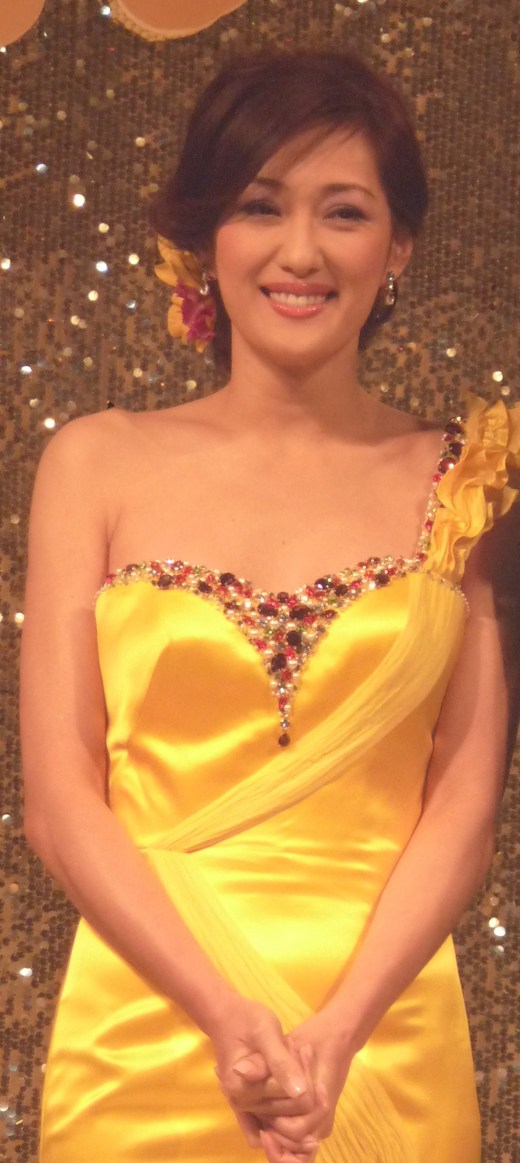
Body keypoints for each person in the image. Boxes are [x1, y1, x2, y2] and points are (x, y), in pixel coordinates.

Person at [20, 49, 520, 1163]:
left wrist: (339, 1031)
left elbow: (464, 804)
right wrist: (222, 1010)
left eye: (344, 211)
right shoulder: (94, 462)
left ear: (397, 247)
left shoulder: (467, 481)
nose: (300, 251)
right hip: (144, 1024)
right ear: (207, 237)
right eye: (260, 206)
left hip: (382, 1030)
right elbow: (59, 799)